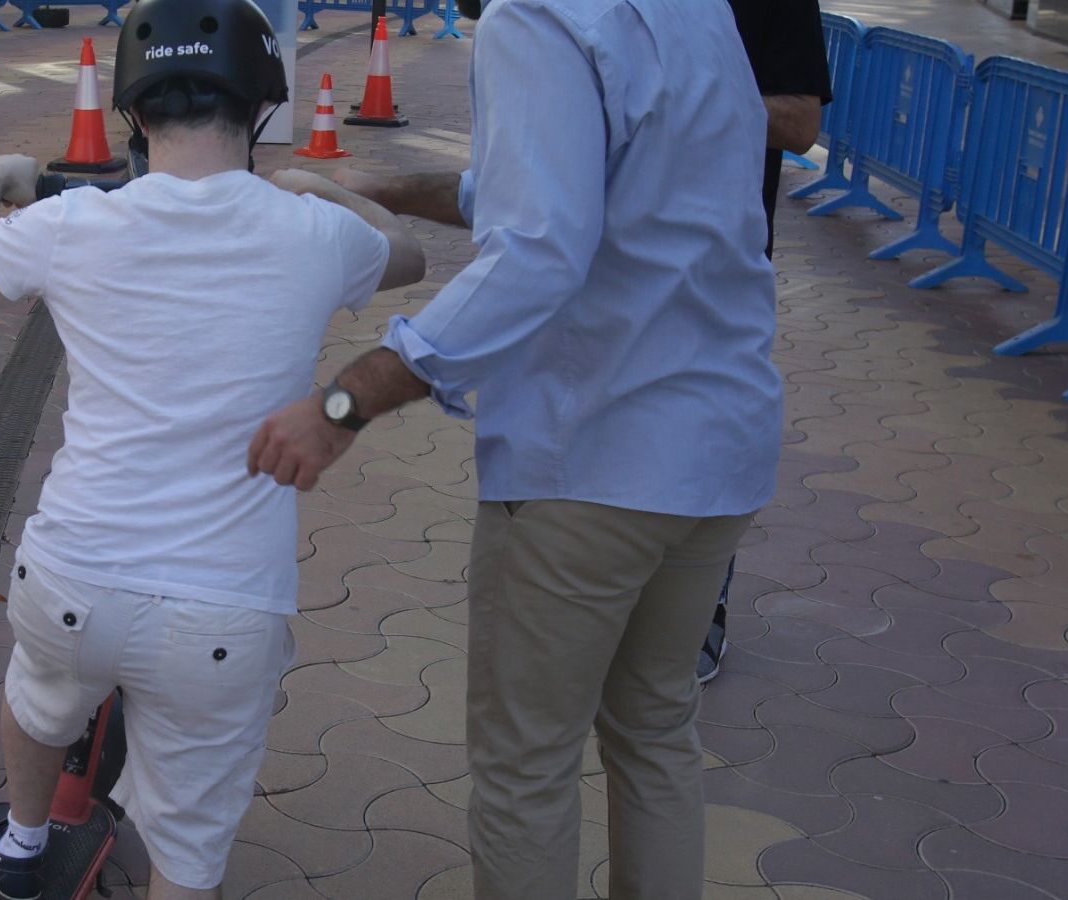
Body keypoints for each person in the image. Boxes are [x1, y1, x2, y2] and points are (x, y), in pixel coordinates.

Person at [245, 0, 782, 897]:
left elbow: (538, 247)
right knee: (654, 731)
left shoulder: (533, 17)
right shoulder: (694, 10)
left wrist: (347, 401)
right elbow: (571, 184)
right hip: (718, 446)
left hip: (592, 462)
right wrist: (376, 187)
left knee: (525, 767)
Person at [0, 1, 424, 897]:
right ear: (261, 105)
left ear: (133, 114)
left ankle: (25, 845)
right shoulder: (313, 235)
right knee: (190, 848)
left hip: (72, 577)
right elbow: (409, 255)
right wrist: (326, 188)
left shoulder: (75, 225)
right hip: (221, 614)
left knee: (38, 701)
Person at [697, 0, 833, 684]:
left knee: (705, 428)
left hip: (721, 258)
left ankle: (700, 608)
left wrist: (679, 95)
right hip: (599, 249)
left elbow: (801, 121)